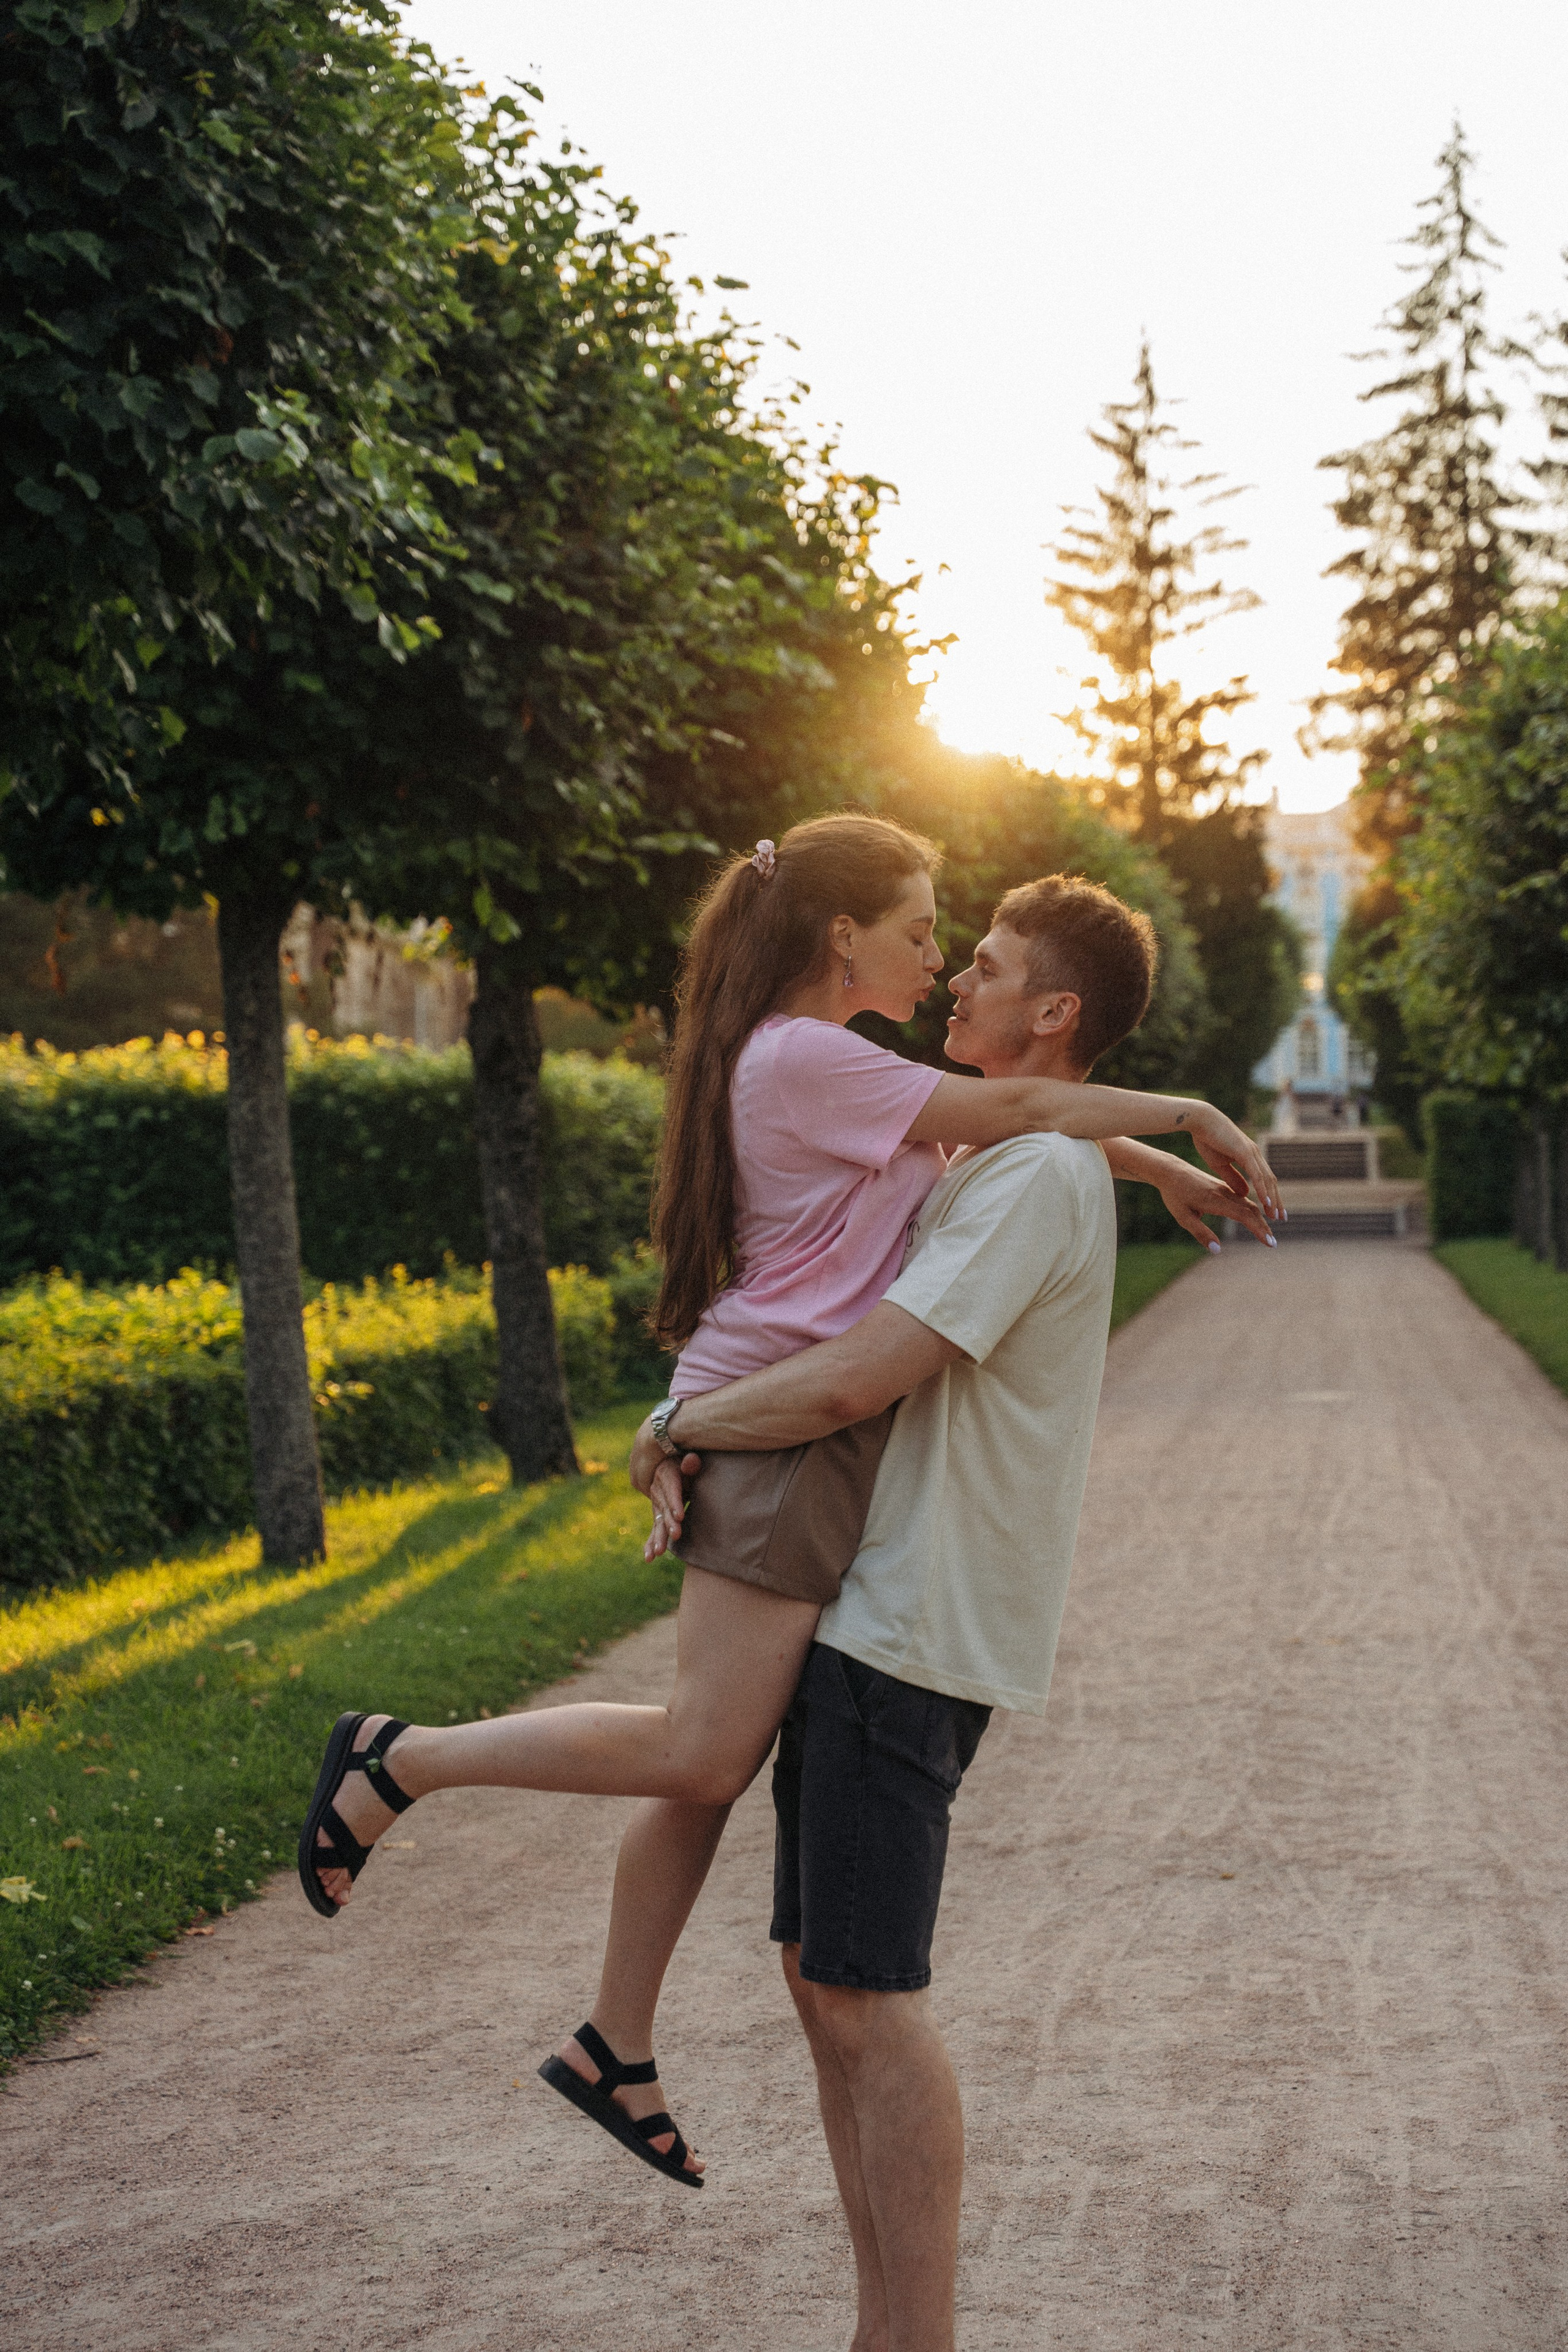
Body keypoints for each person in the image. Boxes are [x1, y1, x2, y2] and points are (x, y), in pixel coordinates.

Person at [296, 816, 1278, 2187]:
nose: (939, 966)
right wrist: (1185, 1115)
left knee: (716, 1747)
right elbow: (1011, 1114)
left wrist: (1154, 1166)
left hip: (781, 1430)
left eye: (961, 948)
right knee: (703, 1746)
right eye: (927, 932)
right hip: (774, 1428)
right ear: (842, 935)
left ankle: (614, 2043)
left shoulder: (838, 1065)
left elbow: (1007, 1129)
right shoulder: (808, 1055)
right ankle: (401, 1760)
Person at [632, 873, 1178, 2349]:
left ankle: (914, 2338)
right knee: (826, 1987)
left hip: (907, 1628)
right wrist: (1173, 1151)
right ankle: (882, 2327)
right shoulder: (1005, 1159)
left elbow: (855, 1377)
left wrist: (687, 1422)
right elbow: (998, 1135)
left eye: (986, 966)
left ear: (1051, 1012)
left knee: (868, 1997)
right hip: (865, 1613)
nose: (956, 983)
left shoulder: (1027, 1181)